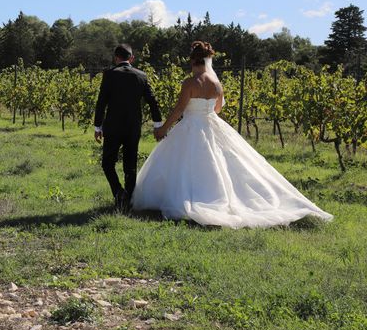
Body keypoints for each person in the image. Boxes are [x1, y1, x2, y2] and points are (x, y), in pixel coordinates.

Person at [131, 41, 333, 228]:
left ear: (192, 60)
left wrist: (164, 128)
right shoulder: (217, 84)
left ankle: (193, 199)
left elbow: (178, 110)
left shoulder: (189, 83)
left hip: (192, 125)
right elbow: (217, 109)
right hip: (212, 123)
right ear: (207, 60)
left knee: (186, 163)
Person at [94, 44, 162, 211]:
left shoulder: (109, 75)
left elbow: (101, 102)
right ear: (131, 58)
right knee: (130, 165)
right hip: (133, 126)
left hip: (113, 127)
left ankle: (118, 192)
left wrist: (97, 126)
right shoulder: (142, 76)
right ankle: (129, 200)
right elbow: (152, 101)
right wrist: (157, 124)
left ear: (116, 58)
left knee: (107, 163)